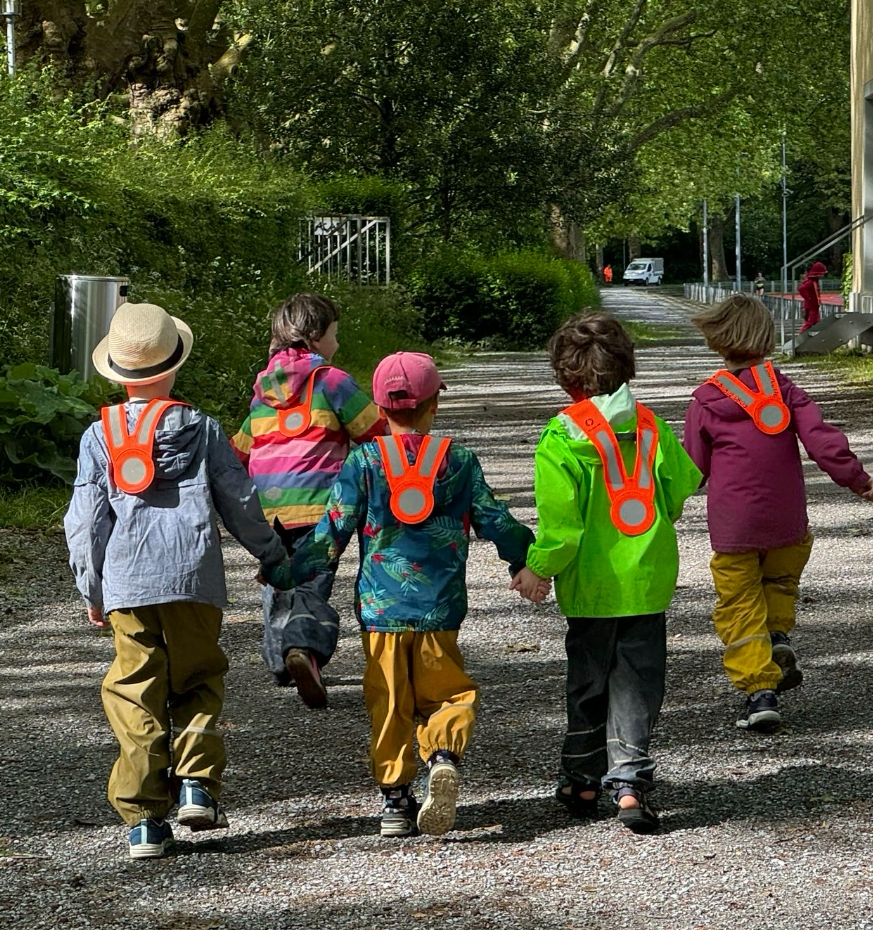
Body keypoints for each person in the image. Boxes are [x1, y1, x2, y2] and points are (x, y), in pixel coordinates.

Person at [65, 302, 294, 860]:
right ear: (173, 367)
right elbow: (238, 499)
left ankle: (144, 821)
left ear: (118, 373)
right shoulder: (202, 428)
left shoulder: (98, 437)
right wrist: (272, 554)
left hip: (127, 584)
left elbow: (86, 522)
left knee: (135, 691)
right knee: (197, 678)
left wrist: (92, 587)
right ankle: (196, 785)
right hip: (193, 579)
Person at [295, 352, 535, 838]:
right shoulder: (458, 461)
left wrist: (285, 571)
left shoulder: (364, 462)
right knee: (447, 693)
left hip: (380, 611)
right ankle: (443, 754)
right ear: (434, 405)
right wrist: (525, 561)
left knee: (388, 704)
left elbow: (332, 531)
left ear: (380, 409)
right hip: (439, 608)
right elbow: (495, 521)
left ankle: (395, 801)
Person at [513, 312, 702, 834]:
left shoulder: (560, 437)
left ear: (565, 378)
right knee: (638, 684)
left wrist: (537, 568)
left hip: (591, 589)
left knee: (588, 681)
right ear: (627, 367)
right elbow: (677, 492)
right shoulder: (651, 427)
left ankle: (581, 779)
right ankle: (631, 785)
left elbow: (561, 529)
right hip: (646, 582)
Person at [685, 295, 873, 734]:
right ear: (767, 338)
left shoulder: (706, 401)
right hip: (787, 521)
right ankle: (776, 638)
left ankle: (760, 692)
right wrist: (856, 477)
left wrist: (662, 503)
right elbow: (821, 440)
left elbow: (693, 470)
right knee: (779, 582)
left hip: (734, 528)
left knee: (739, 603)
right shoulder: (785, 391)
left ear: (717, 341)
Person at [232, 294, 385, 709]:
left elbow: (242, 447)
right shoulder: (331, 381)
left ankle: (279, 659)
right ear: (315, 337)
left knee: (278, 576)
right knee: (313, 584)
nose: (338, 342)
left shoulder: (263, 389)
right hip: (318, 505)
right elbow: (372, 429)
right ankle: (303, 648)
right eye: (334, 334)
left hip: (268, 509)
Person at [798, 260, 827, 332]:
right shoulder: (811, 282)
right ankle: (803, 333)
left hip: (814, 305)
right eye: (822, 274)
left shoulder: (814, 282)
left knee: (815, 321)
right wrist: (808, 298)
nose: (823, 276)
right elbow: (801, 288)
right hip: (811, 305)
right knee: (811, 321)